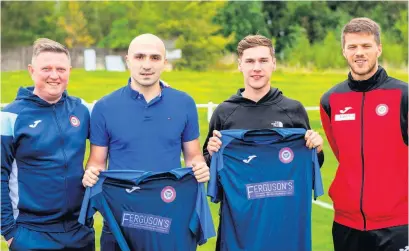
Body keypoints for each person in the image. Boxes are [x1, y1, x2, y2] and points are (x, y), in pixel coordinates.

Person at [81, 33, 210, 251]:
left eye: (154, 58)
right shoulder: (104, 107)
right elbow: (97, 162)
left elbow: (193, 156)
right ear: (128, 60)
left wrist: (199, 167)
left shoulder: (184, 103)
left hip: (168, 214)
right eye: (139, 57)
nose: (146, 65)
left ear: (165, 63)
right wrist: (91, 172)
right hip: (120, 218)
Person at [203, 34, 325, 250]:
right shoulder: (224, 113)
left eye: (263, 61)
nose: (256, 68)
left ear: (274, 64)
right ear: (240, 65)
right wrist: (212, 154)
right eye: (250, 61)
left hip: (284, 226)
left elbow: (310, 165)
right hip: (238, 228)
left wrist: (317, 148)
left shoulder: (293, 111)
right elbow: (208, 170)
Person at [320, 17, 408, 251]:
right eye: (353, 47)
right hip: (346, 223)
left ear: (379, 48)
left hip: (398, 224)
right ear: (344, 51)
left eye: (366, 46)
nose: (359, 53)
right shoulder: (330, 100)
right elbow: (341, 154)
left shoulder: (403, 95)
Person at [1, 38, 95, 250]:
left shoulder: (82, 110)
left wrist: (154, 88)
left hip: (78, 230)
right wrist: (9, 232)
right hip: (31, 233)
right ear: (32, 71)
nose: (54, 75)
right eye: (47, 69)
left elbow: (120, 111)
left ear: (69, 71)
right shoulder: (10, 117)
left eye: (61, 69)